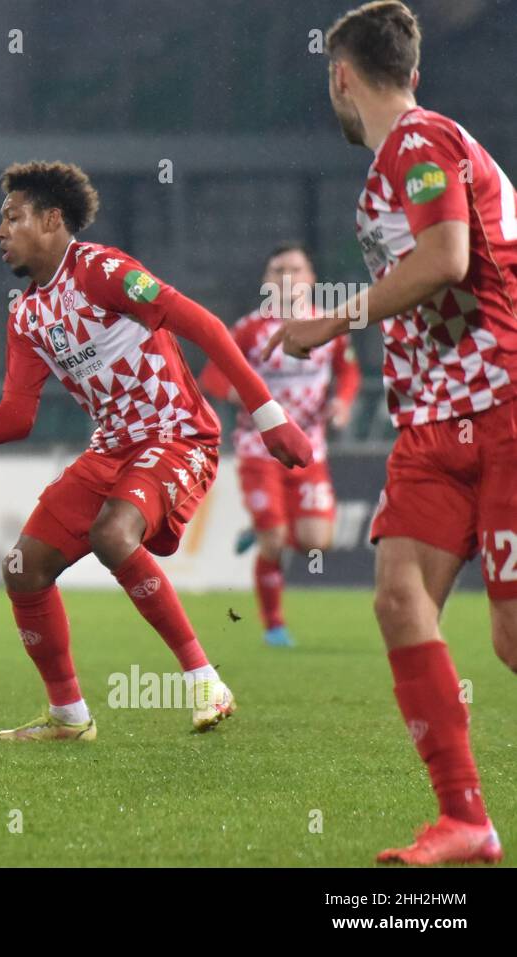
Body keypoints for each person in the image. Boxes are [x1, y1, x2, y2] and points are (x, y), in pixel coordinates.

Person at [0, 161, 312, 742]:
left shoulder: (102, 270)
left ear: (52, 220)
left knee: (111, 534)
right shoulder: (26, 315)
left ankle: (205, 681)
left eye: (13, 217)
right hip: (113, 450)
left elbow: (203, 325)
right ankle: (69, 718)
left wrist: (269, 415)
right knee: (23, 570)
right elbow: (18, 416)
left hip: (176, 435)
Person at [266, 0, 516, 864]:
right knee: (398, 599)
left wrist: (329, 322)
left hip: (506, 409)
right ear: (410, 67)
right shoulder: (393, 166)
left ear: (342, 76)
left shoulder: (419, 142)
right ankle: (466, 820)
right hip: (434, 422)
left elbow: (447, 258)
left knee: (511, 640)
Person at [199, 242, 360, 647]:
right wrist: (245, 398)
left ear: (312, 279)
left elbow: (349, 372)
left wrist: (341, 403)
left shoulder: (328, 326)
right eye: (277, 271)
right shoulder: (249, 329)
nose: (287, 277)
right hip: (260, 447)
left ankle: (264, 527)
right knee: (275, 541)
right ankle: (274, 625)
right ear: (266, 282)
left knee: (315, 541)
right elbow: (213, 377)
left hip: (311, 450)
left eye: (295, 269)